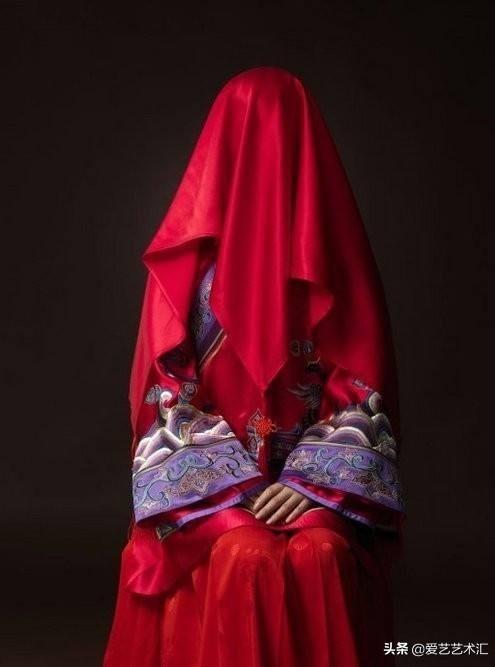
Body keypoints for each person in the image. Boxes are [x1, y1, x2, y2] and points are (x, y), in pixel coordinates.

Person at [103, 65, 406, 667]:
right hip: (212, 489)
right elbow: (166, 397)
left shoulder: (338, 263)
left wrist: (309, 484)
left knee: (321, 553)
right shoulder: (186, 268)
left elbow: (362, 389)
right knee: (248, 557)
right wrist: (237, 487)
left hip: (312, 481)